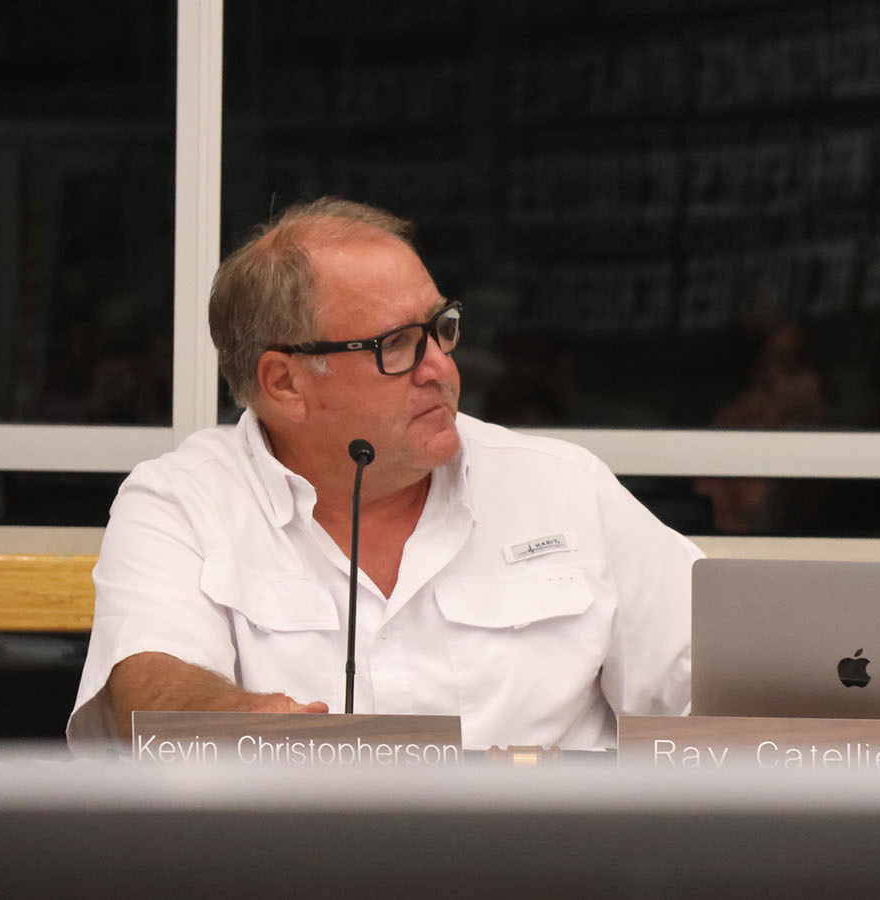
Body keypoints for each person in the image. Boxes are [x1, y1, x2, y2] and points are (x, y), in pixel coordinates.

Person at [67, 198, 701, 753]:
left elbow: (717, 690)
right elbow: (152, 693)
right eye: (394, 345)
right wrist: (246, 724)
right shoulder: (182, 501)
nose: (440, 369)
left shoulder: (564, 488)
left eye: (440, 329)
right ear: (285, 383)